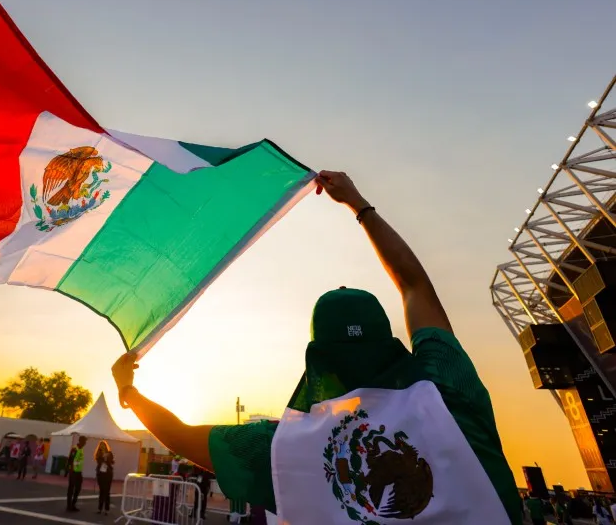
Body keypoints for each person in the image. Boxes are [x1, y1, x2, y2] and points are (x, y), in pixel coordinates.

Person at [111, 170, 523, 524]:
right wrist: (358, 205)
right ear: (389, 342)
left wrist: (128, 391)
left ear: (319, 361)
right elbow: (416, 286)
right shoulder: (448, 395)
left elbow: (180, 436)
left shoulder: (290, 449)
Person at [65, 436, 87, 512]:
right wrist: (67, 470)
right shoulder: (75, 449)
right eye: (84, 441)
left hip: (79, 472)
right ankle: (69, 505)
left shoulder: (81, 449)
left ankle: (73, 504)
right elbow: (70, 459)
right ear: (81, 441)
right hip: (73, 471)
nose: (85, 443)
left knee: (78, 488)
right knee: (71, 488)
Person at [94, 441, 115, 515]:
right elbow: (98, 461)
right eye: (101, 445)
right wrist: (103, 457)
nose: (102, 447)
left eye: (103, 445)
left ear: (106, 446)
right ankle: (99, 508)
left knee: (107, 492)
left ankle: (106, 509)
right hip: (101, 474)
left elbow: (112, 462)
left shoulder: (110, 453)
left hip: (108, 474)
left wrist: (107, 458)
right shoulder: (98, 454)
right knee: (101, 491)